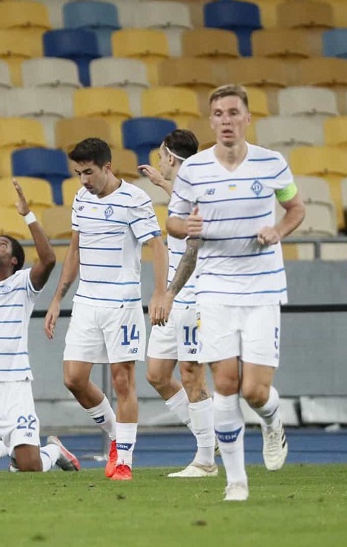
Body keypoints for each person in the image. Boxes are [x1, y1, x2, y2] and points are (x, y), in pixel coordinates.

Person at [167, 84, 305, 502]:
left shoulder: (271, 164)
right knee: (224, 383)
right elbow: (172, 222)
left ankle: (272, 420)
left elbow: (295, 208)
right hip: (215, 288)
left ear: (247, 118)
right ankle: (236, 481)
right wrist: (184, 227)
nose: (226, 120)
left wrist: (277, 231)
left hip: (262, 288)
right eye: (218, 114)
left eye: (233, 112)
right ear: (210, 121)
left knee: (254, 392)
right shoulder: (193, 170)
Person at [44, 137, 171, 482]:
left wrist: (161, 292)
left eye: (88, 172)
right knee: (73, 378)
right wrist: (58, 298)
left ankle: (125, 461)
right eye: (78, 173)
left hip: (121, 304)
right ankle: (117, 437)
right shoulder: (82, 198)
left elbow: (157, 247)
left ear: (107, 168)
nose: (83, 180)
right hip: (87, 302)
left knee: (122, 381)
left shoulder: (134, 199)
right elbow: (74, 251)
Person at [0, 179, 79, 475]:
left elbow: (49, 259)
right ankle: (0, 447)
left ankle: (53, 451)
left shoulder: (21, 284)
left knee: (30, 469)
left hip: (12, 386)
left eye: (2, 244)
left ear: (13, 260)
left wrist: (28, 215)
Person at [137, 130, 218, 478]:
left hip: (194, 295)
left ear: (170, 156)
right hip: (176, 296)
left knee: (190, 374)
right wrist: (163, 185)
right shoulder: (185, 188)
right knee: (156, 374)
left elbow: (195, 239)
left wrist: (168, 292)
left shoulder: (201, 184)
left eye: (160, 156)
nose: (158, 162)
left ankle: (206, 459)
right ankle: (209, 435)